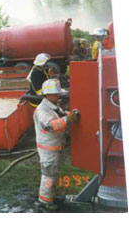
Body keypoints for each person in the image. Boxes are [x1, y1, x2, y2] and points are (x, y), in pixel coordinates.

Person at [33, 78, 80, 211]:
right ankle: (45, 201)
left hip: (55, 148)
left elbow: (60, 114)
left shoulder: (52, 105)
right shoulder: (42, 111)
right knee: (49, 175)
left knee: (53, 174)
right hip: (48, 150)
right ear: (48, 94)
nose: (58, 95)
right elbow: (50, 126)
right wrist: (67, 119)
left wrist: (70, 115)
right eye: (56, 93)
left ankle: (50, 196)